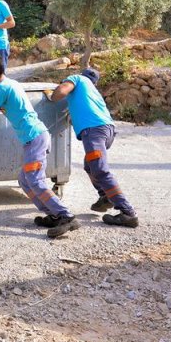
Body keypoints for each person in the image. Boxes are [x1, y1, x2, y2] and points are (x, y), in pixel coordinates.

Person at [0, 54, 80, 238]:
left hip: (34, 137)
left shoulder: (2, 88)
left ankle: (66, 215)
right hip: (36, 136)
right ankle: (53, 214)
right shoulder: (12, 83)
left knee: (34, 180)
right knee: (25, 181)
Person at [46, 68, 139, 228]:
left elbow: (62, 91)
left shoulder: (77, 79)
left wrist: (51, 97)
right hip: (108, 130)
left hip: (94, 131)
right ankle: (106, 196)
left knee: (100, 170)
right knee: (90, 166)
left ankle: (128, 212)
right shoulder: (92, 91)